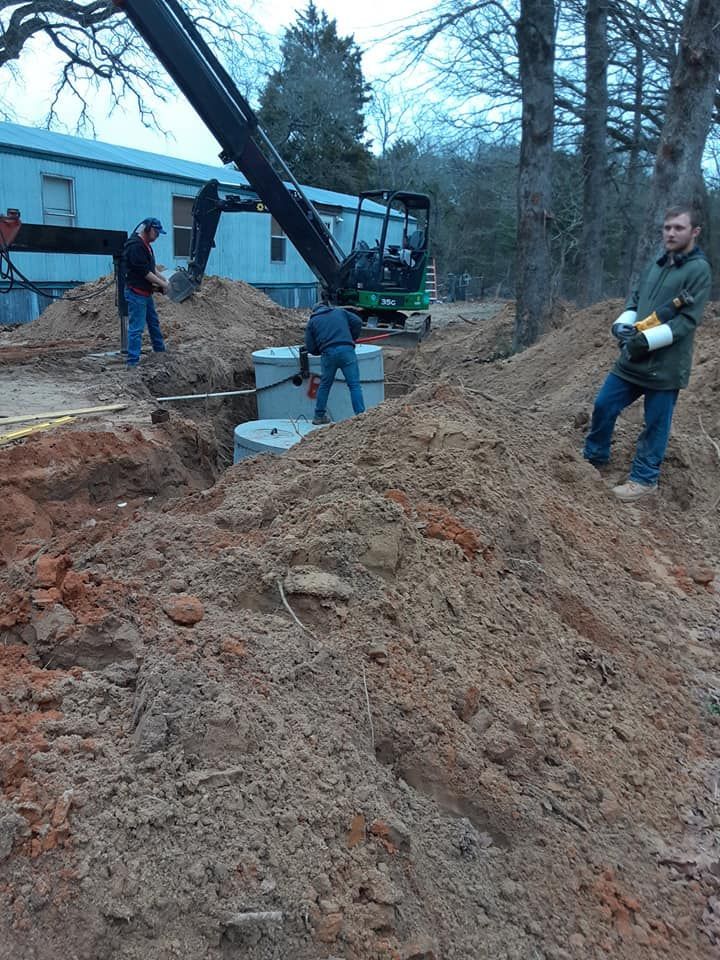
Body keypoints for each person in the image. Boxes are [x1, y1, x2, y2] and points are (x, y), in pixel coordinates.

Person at [583, 204, 711, 502]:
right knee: (603, 405)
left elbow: (687, 321)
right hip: (632, 359)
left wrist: (645, 341)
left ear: (695, 231)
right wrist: (622, 325)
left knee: (655, 424)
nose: (671, 233)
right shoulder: (657, 263)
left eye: (678, 228)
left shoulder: (699, 270)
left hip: (665, 366)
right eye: (667, 227)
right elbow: (636, 299)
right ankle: (594, 457)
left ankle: (644, 480)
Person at [304, 301, 366, 424]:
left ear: (314, 311)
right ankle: (361, 417)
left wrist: (320, 349)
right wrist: (351, 338)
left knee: (325, 385)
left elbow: (310, 347)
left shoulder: (312, 321)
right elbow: (358, 322)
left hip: (328, 353)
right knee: (354, 385)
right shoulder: (340, 312)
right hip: (347, 351)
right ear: (327, 307)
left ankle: (319, 416)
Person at [123, 217, 170, 368]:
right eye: (156, 232)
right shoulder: (135, 246)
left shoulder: (146, 246)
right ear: (148, 229)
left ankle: (160, 353)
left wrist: (163, 278)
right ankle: (132, 363)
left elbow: (151, 267)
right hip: (136, 293)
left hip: (145, 293)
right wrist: (163, 284)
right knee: (136, 329)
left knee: (154, 323)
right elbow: (145, 272)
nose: (157, 236)